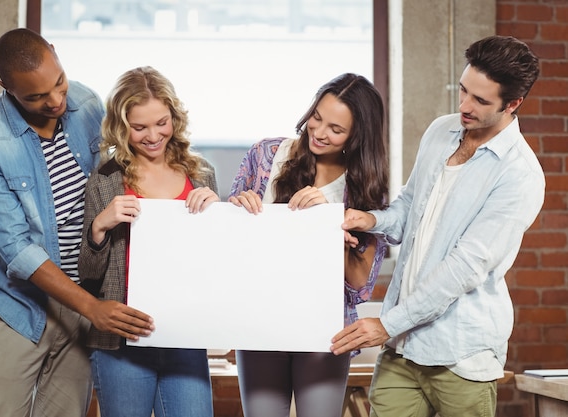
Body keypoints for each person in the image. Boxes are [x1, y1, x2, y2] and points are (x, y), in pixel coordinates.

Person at [330, 35, 544, 417]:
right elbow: (410, 207)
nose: (464, 106)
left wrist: (387, 323)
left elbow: (464, 268)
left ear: (513, 104)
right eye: (463, 90)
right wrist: (372, 220)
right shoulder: (441, 130)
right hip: (403, 348)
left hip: (461, 354)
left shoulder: (520, 175)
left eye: (480, 101)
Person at [0, 28, 153, 417]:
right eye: (36, 96)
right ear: (6, 87)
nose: (56, 101)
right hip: (19, 307)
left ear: (54, 52)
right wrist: (93, 308)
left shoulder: (86, 103)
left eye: (59, 83)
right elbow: (17, 249)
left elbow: (121, 177)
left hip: (82, 302)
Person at [228, 73, 389, 417]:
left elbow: (360, 285)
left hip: (324, 330)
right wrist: (237, 208)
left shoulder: (365, 186)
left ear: (357, 136)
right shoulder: (266, 154)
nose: (318, 132)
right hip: (260, 319)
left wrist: (333, 230)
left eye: (336, 129)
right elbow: (231, 244)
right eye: (317, 117)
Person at [77, 66, 218, 417]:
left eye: (162, 123)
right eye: (139, 127)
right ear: (122, 127)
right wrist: (99, 226)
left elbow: (217, 263)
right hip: (122, 337)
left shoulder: (201, 174)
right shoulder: (105, 178)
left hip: (184, 334)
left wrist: (219, 218)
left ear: (175, 117)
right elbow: (90, 276)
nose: (153, 135)